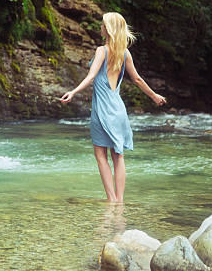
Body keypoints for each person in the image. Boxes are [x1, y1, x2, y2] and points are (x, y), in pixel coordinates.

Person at [60, 12, 166, 202]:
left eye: (102, 25)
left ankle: (111, 199)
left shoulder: (102, 50)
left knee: (100, 154)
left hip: (102, 110)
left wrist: (73, 92)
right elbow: (137, 79)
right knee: (118, 155)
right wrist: (154, 96)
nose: (100, 28)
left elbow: (91, 77)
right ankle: (120, 200)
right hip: (118, 110)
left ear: (108, 29)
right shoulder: (125, 53)